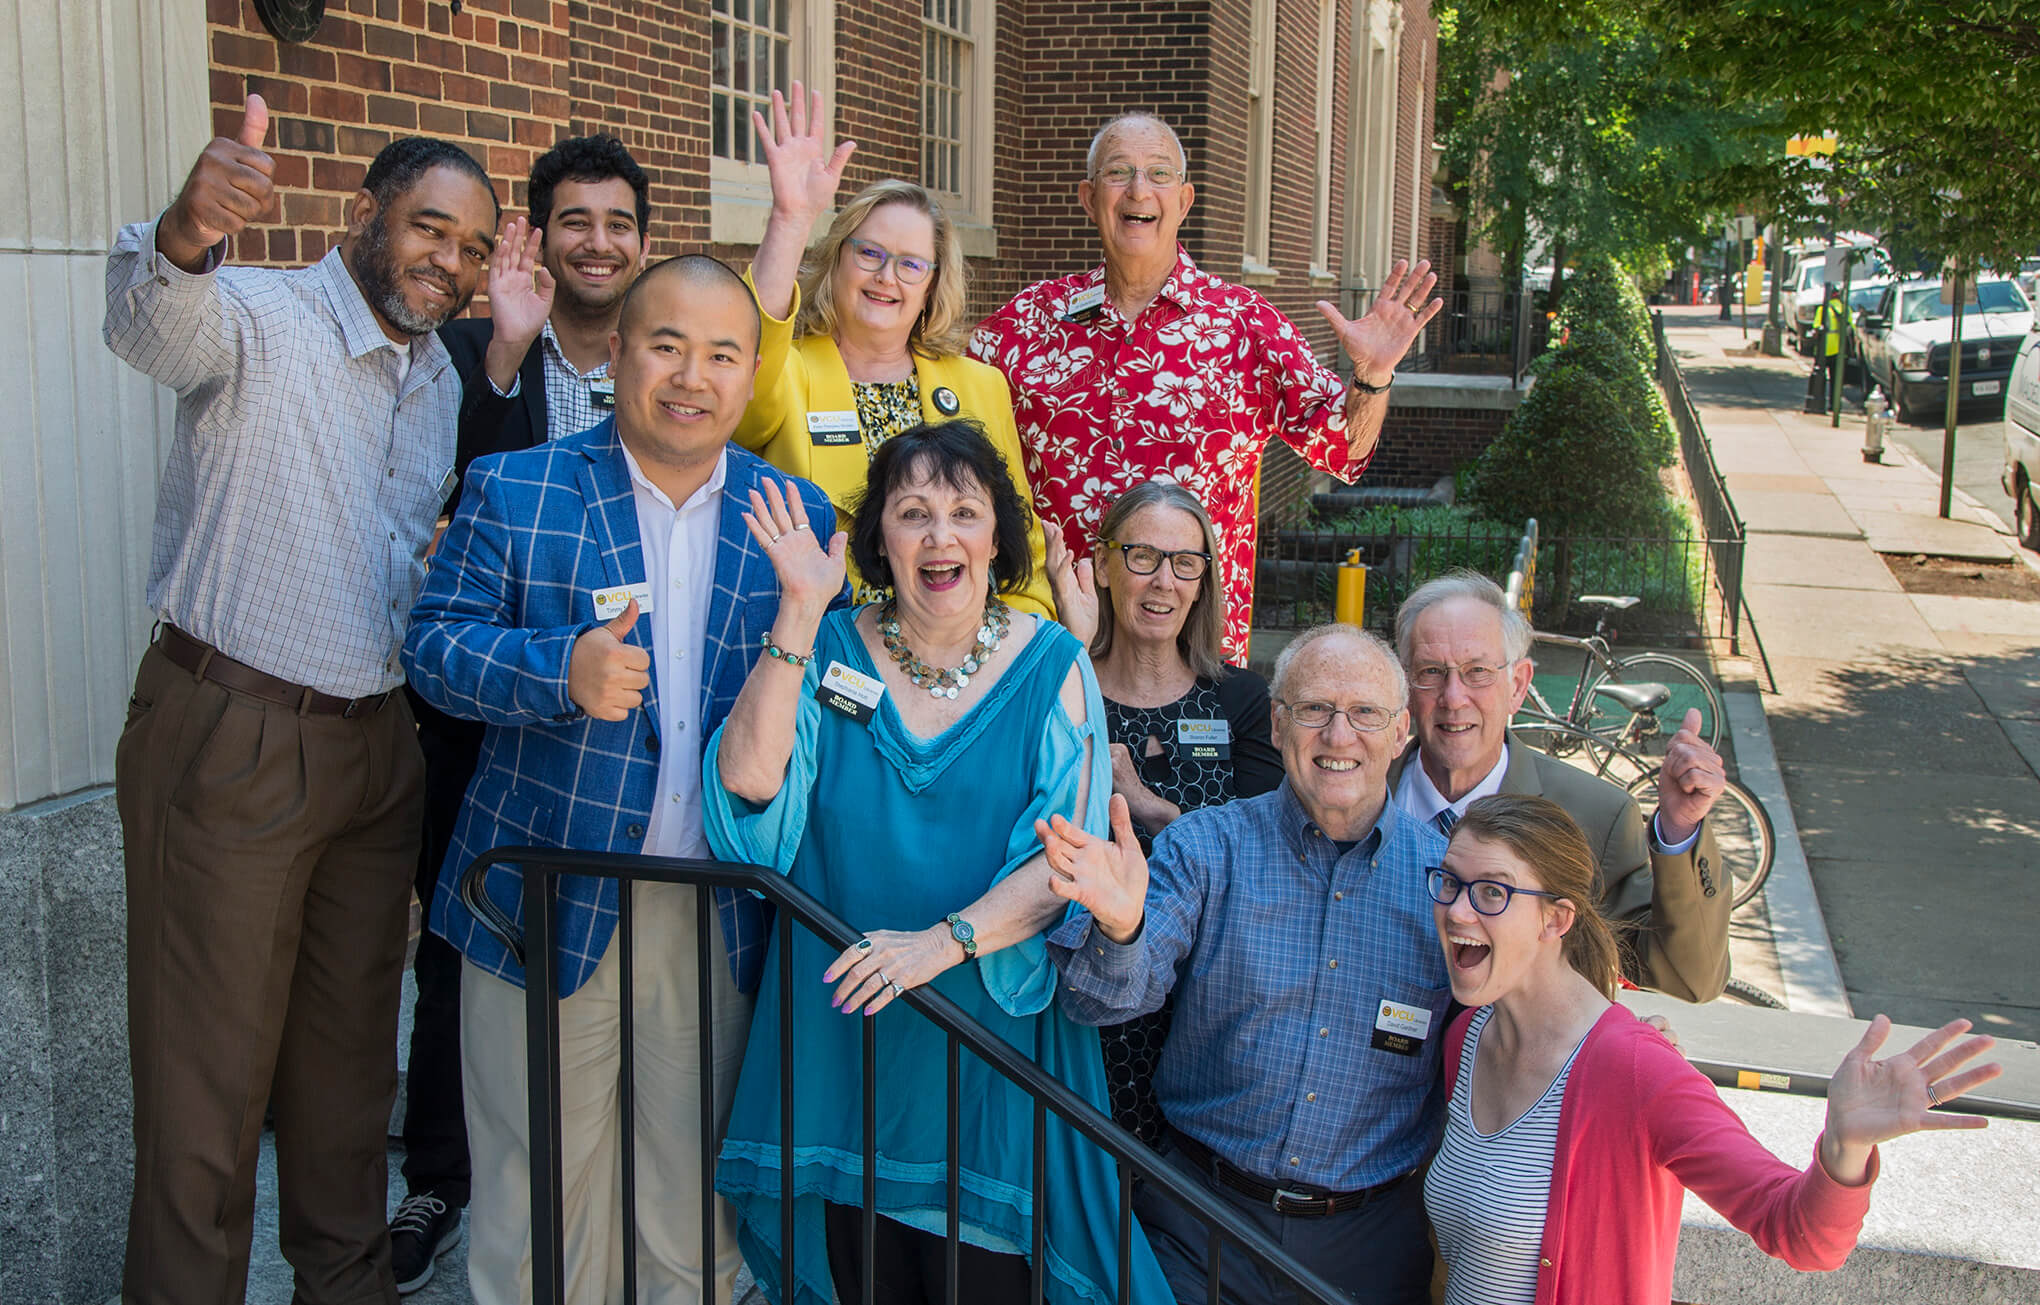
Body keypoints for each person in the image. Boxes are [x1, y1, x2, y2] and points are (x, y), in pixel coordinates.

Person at [104, 92, 498, 1303]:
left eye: (474, 245)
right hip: (232, 733)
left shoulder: (437, 377)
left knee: (342, 1088)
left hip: (375, 750)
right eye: (431, 229)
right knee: (206, 1097)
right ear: (363, 213)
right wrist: (187, 227)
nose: (451, 262)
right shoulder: (259, 314)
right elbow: (151, 324)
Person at [404, 255, 838, 1304]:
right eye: (667, 345)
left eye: (723, 355)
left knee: (694, 1207)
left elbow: (826, 701)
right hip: (546, 894)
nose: (692, 376)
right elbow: (431, 647)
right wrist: (557, 669)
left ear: (750, 377)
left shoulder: (799, 515)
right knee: (538, 1201)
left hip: (715, 909)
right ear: (616, 353)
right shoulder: (520, 486)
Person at [704, 420, 1168, 1305]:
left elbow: (1062, 862)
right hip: (846, 1034)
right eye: (913, 512)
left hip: (985, 1050)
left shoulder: (1056, 664)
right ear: (880, 537)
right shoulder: (828, 646)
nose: (940, 535)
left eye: (965, 510)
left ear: (999, 534)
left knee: (982, 1280)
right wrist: (797, 613)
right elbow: (750, 797)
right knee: (865, 1276)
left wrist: (936, 946)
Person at [391, 133, 655, 1292]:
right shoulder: (468, 349)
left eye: (617, 222)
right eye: (574, 219)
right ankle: (441, 1177)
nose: (597, 241)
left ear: (643, 243)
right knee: (467, 942)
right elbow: (441, 494)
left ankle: (605, 1176)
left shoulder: (664, 357)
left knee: (620, 957)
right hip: (489, 712)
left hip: (628, 718)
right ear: (539, 235)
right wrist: (501, 351)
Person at [1424, 794, 2000, 1305]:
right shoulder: (1468, 1036)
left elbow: (1802, 1236)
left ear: (1557, 919)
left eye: (1492, 892)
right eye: (1449, 882)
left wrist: (1844, 1146)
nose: (1456, 910)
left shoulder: (1637, 1069)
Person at [1041, 623, 1449, 1305]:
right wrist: (1121, 924)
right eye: (1315, 708)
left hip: (1370, 1245)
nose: (1338, 735)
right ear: (1280, 724)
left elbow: (1509, 1023)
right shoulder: (1207, 847)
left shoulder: (1447, 883)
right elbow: (1099, 1001)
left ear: (1403, 730)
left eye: (1365, 713)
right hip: (1199, 1226)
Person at [971, 112, 1442, 661]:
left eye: (1159, 174)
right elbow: (937, 411)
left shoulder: (1246, 326)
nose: (1139, 189)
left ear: (1185, 199)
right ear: (1088, 195)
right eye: (1118, 172)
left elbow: (1343, 450)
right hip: (1051, 653)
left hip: (1194, 662)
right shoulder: (1026, 325)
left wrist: (1372, 376)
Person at [738, 84, 1054, 614]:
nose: (887, 276)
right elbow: (745, 378)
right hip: (822, 661)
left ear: (931, 284)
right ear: (837, 260)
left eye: (910, 264)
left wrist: (1008, 657)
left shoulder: (980, 385)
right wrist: (791, 220)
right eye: (870, 253)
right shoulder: (786, 373)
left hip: (966, 663)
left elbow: (1023, 556)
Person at [1041, 480, 1282, 1144]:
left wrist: (1143, 802)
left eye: (1185, 562)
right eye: (1142, 556)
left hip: (1200, 1002)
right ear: (1106, 563)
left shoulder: (1241, 700)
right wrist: (1069, 648)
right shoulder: (1059, 680)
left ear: (1204, 582)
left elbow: (1258, 867)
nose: (1162, 581)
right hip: (1072, 993)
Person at [1388, 573, 1731, 1002]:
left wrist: (1680, 830)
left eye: (1477, 672)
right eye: (1432, 672)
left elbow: (1687, 980)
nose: (1453, 697)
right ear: (1403, 688)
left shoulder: (1594, 816)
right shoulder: (1355, 800)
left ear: (1517, 686)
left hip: (1506, 1065)